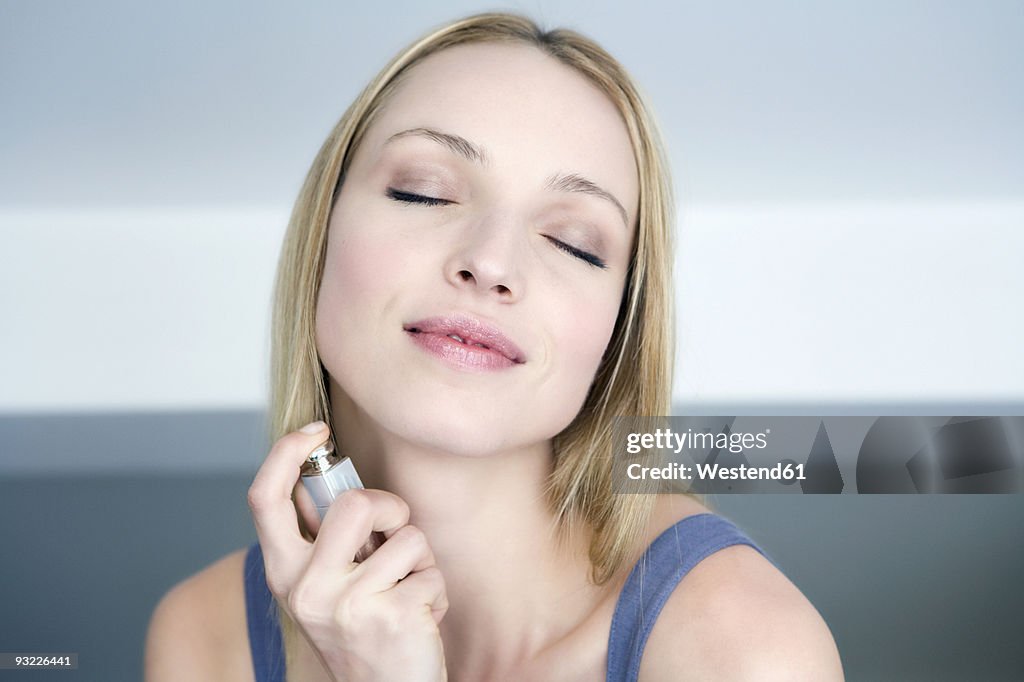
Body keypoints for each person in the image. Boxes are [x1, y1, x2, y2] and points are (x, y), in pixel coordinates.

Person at [144, 11, 843, 681]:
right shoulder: (208, 638)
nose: (492, 262)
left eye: (573, 241)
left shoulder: (743, 647)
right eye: (425, 193)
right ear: (322, 231)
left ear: (615, 335)